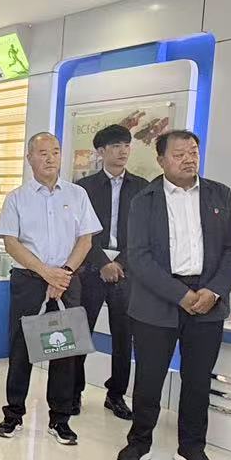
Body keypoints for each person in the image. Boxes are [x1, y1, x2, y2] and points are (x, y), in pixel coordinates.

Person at [116, 130, 231, 460]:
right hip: (157, 299)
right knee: (149, 377)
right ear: (161, 160)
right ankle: (139, 442)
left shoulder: (219, 194)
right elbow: (139, 257)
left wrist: (214, 290)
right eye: (179, 154)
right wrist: (180, 295)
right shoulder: (144, 199)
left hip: (207, 300)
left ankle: (192, 448)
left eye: (193, 152)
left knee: (198, 380)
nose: (189, 159)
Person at [0, 131, 101, 445]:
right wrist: (46, 273)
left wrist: (63, 274)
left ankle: (60, 419)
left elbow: (86, 240)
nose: (50, 158)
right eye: (42, 152)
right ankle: (13, 414)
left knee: (65, 351)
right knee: (21, 350)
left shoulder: (77, 195)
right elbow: (11, 243)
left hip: (68, 280)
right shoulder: (17, 198)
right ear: (29, 158)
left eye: (55, 151)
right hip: (29, 281)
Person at [78, 124, 148, 421]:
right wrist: (101, 262)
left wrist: (121, 264)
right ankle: (73, 391)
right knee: (80, 332)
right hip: (90, 268)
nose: (123, 151)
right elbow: (79, 231)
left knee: (123, 337)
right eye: (116, 146)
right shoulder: (84, 187)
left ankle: (116, 394)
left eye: (126, 146)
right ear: (101, 151)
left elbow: (145, 234)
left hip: (126, 271)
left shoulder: (142, 187)